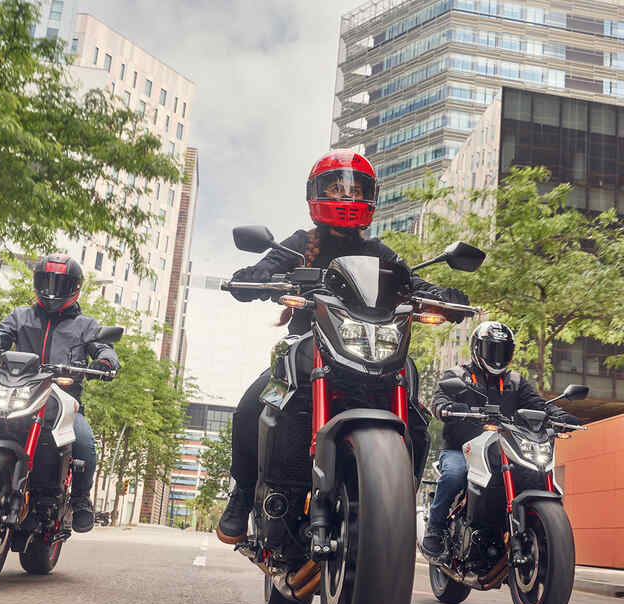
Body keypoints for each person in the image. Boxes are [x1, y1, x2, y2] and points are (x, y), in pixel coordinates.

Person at [217, 150, 470, 544]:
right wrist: (255, 277)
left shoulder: (378, 252)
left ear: (371, 196)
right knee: (252, 404)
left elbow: (412, 284)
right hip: (309, 345)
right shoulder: (300, 244)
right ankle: (243, 491)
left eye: (356, 189)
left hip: (373, 350)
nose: (347, 196)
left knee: (416, 408)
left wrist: (442, 296)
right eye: (337, 187)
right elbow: (268, 267)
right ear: (316, 194)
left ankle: (395, 498)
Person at [0, 253, 120, 533]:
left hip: (61, 398)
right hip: (17, 390)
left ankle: (80, 500)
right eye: (46, 281)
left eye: (60, 283)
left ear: (75, 288)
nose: (52, 289)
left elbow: (103, 348)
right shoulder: (21, 316)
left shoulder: (86, 325)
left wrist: (105, 362)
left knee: (84, 441)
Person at [421, 320, 581, 560]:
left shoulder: (515, 382)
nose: (497, 357)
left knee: (532, 472)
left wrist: (559, 416)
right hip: (462, 449)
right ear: (477, 349)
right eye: (491, 350)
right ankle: (435, 530)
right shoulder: (458, 375)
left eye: (503, 350)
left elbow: (537, 406)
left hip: (504, 448)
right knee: (454, 474)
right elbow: (440, 398)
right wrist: (445, 407)